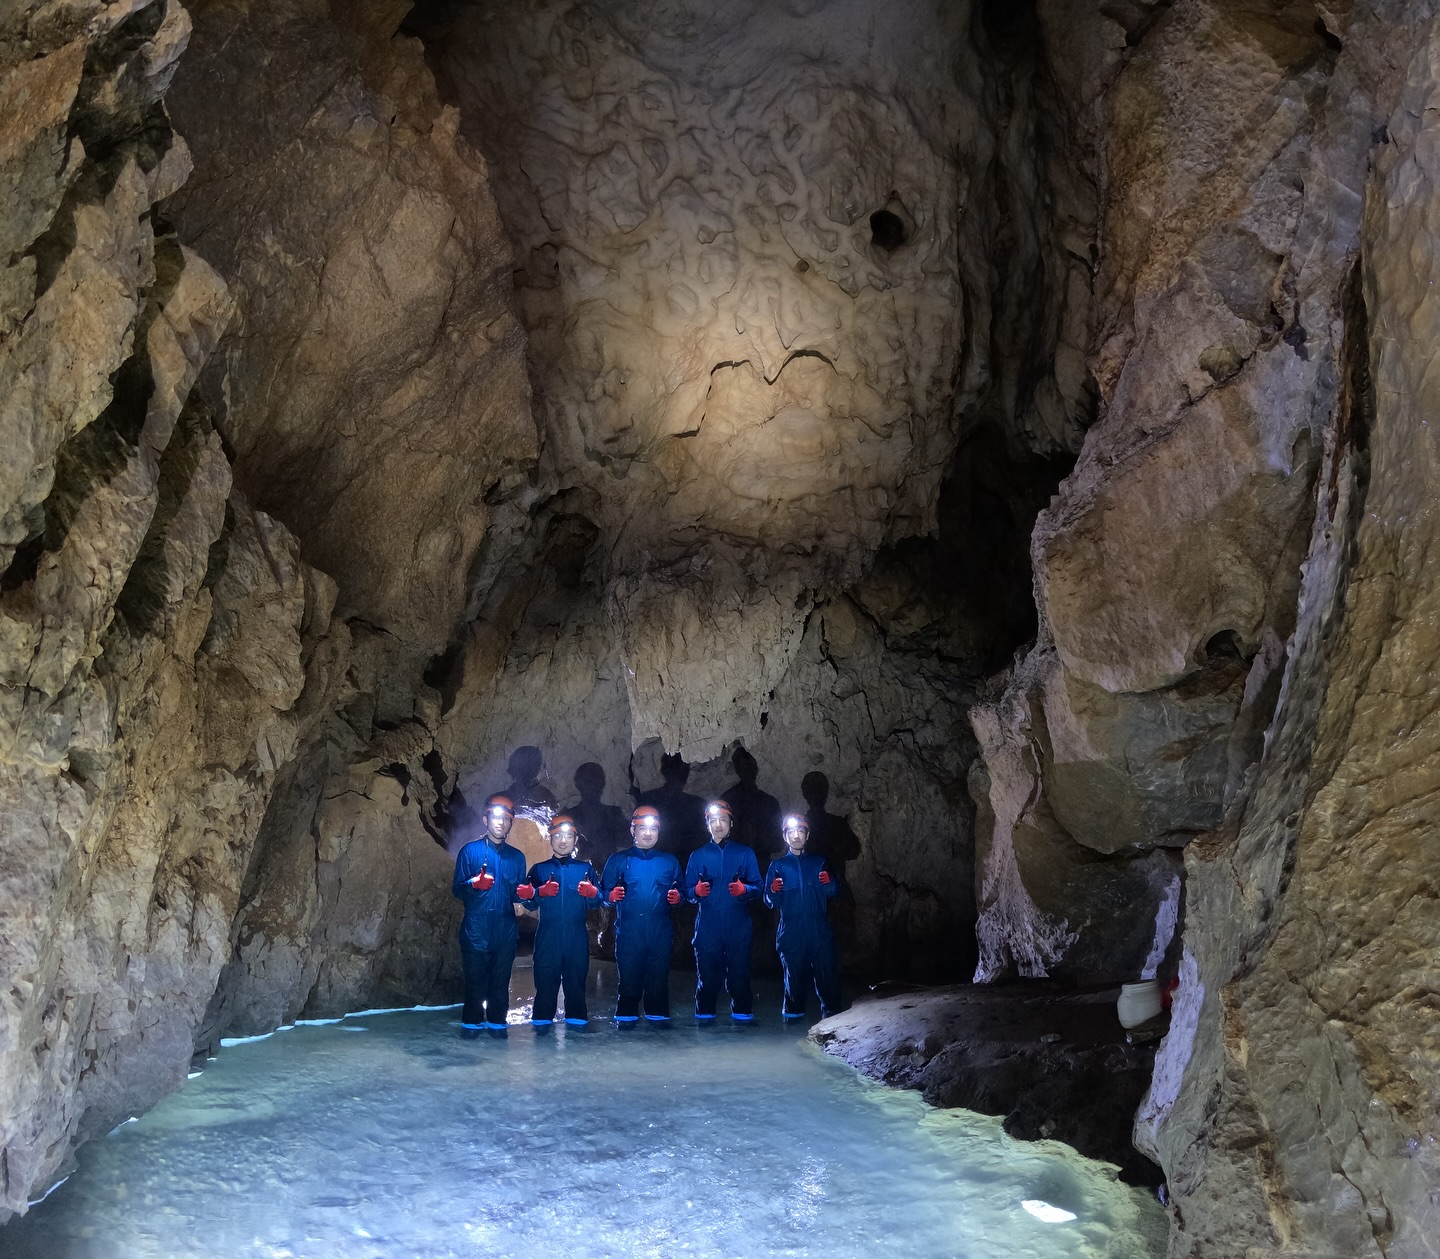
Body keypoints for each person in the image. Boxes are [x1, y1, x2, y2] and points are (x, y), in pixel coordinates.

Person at [451, 793, 530, 1037]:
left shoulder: (517, 857)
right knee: (475, 986)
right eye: (495, 817)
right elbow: (457, 890)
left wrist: (526, 895)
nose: (500, 822)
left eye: (506, 819)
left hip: (505, 933)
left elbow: (518, 895)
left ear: (510, 823)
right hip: (476, 930)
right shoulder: (470, 852)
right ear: (485, 819)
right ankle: (471, 1033)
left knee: (499, 986)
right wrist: (473, 883)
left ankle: (498, 1032)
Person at [600, 805, 683, 1023]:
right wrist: (609, 896)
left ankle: (658, 1038)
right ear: (632, 830)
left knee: (658, 986)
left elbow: (683, 891)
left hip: (660, 934)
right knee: (628, 986)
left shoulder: (670, 861)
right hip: (629, 934)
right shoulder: (618, 860)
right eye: (642, 829)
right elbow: (602, 894)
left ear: (659, 831)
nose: (648, 834)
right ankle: (626, 1038)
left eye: (653, 829)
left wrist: (679, 898)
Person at [523, 814, 603, 1027]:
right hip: (547, 940)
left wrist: (593, 893)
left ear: (575, 840)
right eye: (558, 835)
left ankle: (576, 1049)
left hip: (576, 940)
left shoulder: (585, 870)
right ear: (550, 838)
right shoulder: (539, 870)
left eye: (568, 836)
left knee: (576, 992)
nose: (563, 840)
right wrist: (539, 891)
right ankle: (541, 1044)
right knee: (545, 993)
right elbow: (528, 903)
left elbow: (597, 904)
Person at [686, 799, 761, 1021]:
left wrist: (744, 889)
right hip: (707, 929)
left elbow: (759, 886)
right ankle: (705, 1029)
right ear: (707, 824)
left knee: (740, 981)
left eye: (723, 820)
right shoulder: (697, 856)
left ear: (731, 823)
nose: (718, 824)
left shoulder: (745, 853)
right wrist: (696, 891)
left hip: (738, 929)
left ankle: (742, 1026)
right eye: (713, 820)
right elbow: (686, 892)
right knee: (707, 982)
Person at [763, 812, 843, 1020]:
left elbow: (834, 892)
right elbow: (770, 902)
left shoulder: (819, 862)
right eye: (791, 832)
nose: (796, 836)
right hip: (791, 932)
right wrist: (773, 890)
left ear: (807, 836)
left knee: (828, 983)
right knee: (794, 985)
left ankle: (832, 1024)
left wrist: (830, 882)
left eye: (800, 831)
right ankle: (792, 1031)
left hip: (819, 931)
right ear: (785, 836)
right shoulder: (777, 866)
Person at [634, 752, 708, 864]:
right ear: (665, 771)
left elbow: (703, 838)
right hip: (655, 862)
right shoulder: (649, 801)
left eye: (683, 770)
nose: (679, 775)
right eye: (675, 770)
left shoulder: (697, 804)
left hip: (687, 862)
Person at [566, 762, 628, 869]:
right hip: (577, 874)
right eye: (588, 781)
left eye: (596, 780)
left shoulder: (615, 813)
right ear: (578, 784)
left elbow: (627, 842)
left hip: (609, 873)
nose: (592, 786)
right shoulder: (569, 816)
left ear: (602, 783)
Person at [503, 745, 558, 814]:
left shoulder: (547, 798)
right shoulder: (503, 797)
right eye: (522, 766)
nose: (526, 770)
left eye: (532, 764)